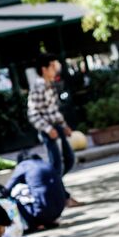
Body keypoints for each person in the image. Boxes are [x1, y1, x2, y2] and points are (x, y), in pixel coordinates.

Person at [27, 54, 76, 191]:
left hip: (57, 127)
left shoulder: (50, 85)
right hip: (48, 130)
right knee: (57, 165)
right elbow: (32, 113)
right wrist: (48, 129)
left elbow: (53, 110)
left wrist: (64, 126)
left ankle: (56, 189)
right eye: (53, 66)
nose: (56, 69)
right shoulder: (38, 86)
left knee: (69, 159)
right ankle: (59, 194)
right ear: (44, 69)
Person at [6, 153, 67, 230]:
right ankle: (49, 221)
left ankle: (34, 225)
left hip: (41, 212)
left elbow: (7, 188)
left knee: (14, 198)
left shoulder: (24, 165)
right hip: (59, 210)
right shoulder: (46, 164)